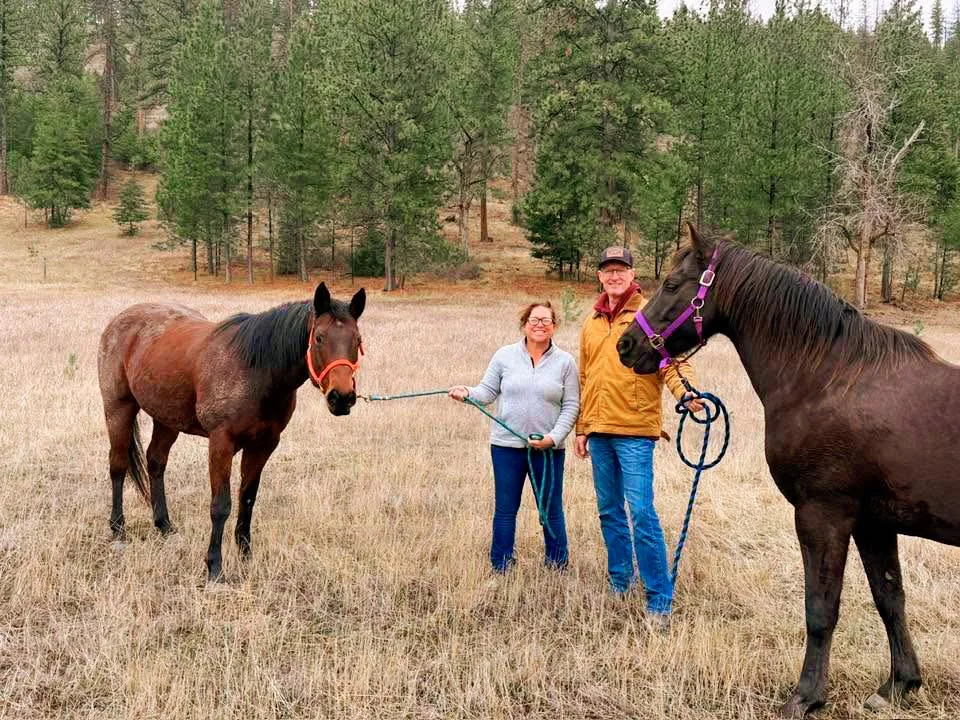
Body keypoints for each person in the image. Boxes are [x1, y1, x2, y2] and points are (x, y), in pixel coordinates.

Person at [574, 246, 703, 625]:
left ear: (632, 275)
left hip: (634, 432)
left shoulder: (649, 315)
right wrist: (582, 427)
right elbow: (586, 376)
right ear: (600, 276)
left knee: (642, 513)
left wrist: (686, 394)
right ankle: (620, 581)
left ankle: (659, 599)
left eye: (621, 270)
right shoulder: (591, 322)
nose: (614, 276)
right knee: (609, 511)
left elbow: (672, 363)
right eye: (608, 270)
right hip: (598, 431)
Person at [449, 302, 580, 573]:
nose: (540, 325)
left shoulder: (566, 362)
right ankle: (501, 565)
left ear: (554, 326)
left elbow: (571, 406)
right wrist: (467, 393)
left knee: (551, 509)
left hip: (548, 450)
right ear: (524, 324)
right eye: (534, 320)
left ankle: (557, 565)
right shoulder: (504, 356)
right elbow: (487, 392)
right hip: (506, 448)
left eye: (546, 320)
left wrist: (553, 438)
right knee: (506, 509)